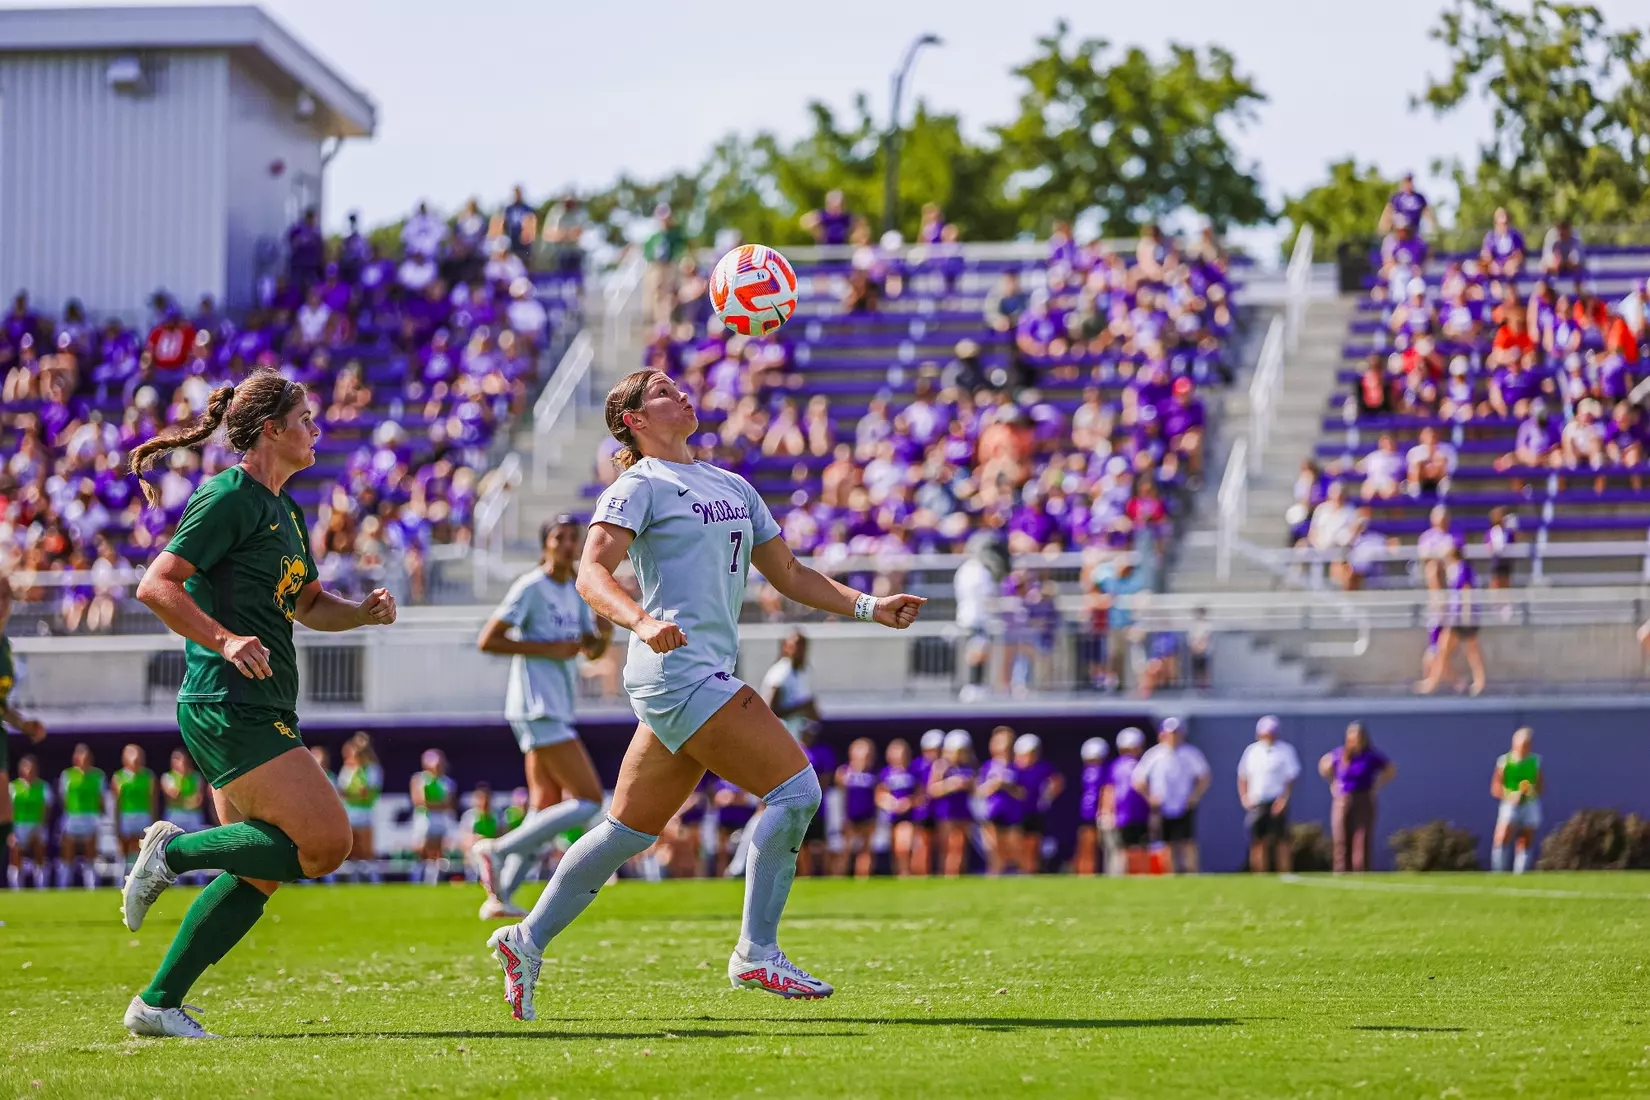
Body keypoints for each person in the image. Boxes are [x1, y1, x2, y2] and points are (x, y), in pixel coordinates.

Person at [485, 368, 926, 1016]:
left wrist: (869, 605)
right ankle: (756, 953)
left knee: (626, 832)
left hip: (695, 671)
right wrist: (640, 620)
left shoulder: (731, 485)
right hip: (676, 668)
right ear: (633, 420)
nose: (681, 393)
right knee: (797, 790)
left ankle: (525, 938)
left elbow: (791, 573)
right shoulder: (639, 484)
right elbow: (590, 573)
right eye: (662, 391)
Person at [116, 367, 397, 1039]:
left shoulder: (288, 511)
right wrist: (223, 638)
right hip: (228, 699)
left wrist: (357, 614)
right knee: (328, 843)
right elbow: (156, 585)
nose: (316, 429)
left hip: (261, 700)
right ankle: (171, 856)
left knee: (259, 874)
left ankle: (157, 1004)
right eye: (305, 419)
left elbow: (306, 604)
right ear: (270, 430)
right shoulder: (229, 495)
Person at [473, 515, 612, 919]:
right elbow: (489, 640)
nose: (569, 544)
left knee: (544, 805)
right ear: (545, 545)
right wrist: (548, 648)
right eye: (560, 537)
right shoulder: (532, 587)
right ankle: (497, 850)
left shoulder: (577, 590)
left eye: (574, 538)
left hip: (555, 706)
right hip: (537, 705)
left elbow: (590, 652)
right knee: (588, 800)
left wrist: (601, 636)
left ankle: (499, 899)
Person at [0, 576, 48, 880]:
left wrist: (24, 723)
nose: (3, 604)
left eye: (6, 597)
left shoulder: (5, 645)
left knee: (5, 816)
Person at [1132, 718, 1210, 874]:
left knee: (1187, 842)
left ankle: (1192, 872)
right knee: (1165, 843)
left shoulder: (1190, 753)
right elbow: (1138, 780)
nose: (1173, 737)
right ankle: (1170, 873)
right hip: (1163, 805)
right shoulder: (1154, 754)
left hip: (1184, 804)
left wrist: (1194, 796)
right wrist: (1150, 797)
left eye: (1176, 733)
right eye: (1169, 734)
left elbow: (1204, 777)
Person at [1319, 721, 1396, 873]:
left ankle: (1362, 871)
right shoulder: (1340, 755)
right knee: (1341, 837)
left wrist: (1377, 784)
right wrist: (1333, 783)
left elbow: (1390, 769)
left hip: (1364, 798)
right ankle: (1341, 871)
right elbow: (1324, 765)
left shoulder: (1370, 756)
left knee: (1362, 837)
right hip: (1343, 799)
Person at [1235, 716, 1301, 873]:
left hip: (1277, 800)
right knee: (1258, 841)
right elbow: (1243, 776)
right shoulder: (1252, 751)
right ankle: (1260, 875)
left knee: (1281, 840)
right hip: (1257, 801)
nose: (1268, 736)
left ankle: (1285, 873)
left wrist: (1284, 798)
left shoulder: (1285, 750)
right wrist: (1244, 796)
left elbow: (1290, 778)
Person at [1491, 727, 1543, 874]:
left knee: (1526, 838)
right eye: (1522, 745)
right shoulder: (1504, 761)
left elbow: (1540, 786)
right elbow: (1496, 787)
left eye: (1527, 745)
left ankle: (1521, 872)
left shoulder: (1535, 761)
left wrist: (1529, 792)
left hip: (1529, 803)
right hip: (1510, 803)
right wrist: (1512, 796)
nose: (1524, 749)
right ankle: (1498, 871)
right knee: (1503, 835)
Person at [928, 729, 977, 878]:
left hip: (963, 810)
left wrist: (968, 785)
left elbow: (976, 789)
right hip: (946, 812)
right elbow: (932, 789)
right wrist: (951, 785)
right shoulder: (942, 766)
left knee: (960, 845)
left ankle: (958, 874)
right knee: (947, 846)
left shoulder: (969, 766)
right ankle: (946, 874)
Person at [977, 727, 1025, 876]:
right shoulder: (988, 766)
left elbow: (1022, 793)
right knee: (994, 852)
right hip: (992, 814)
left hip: (1012, 815)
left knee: (1014, 851)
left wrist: (1007, 786)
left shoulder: (1017, 767)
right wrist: (994, 785)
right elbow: (979, 792)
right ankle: (995, 877)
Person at [335, 733, 383, 882]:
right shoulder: (347, 770)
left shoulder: (373, 769)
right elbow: (342, 793)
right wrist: (355, 794)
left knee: (367, 852)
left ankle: (375, 881)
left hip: (366, 814)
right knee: (352, 852)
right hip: (349, 814)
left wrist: (352, 794)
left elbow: (367, 794)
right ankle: (354, 881)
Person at [57, 743, 105, 888]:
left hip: (91, 817)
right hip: (72, 817)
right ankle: (63, 885)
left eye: (87, 757)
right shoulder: (67, 775)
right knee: (67, 852)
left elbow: (101, 799)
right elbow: (63, 797)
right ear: (75, 758)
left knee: (91, 852)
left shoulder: (98, 776)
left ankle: (91, 886)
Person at [1103, 727, 1150, 875]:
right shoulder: (1116, 765)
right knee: (1122, 850)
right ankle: (1123, 877)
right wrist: (1106, 811)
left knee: (1140, 849)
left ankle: (1140, 877)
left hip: (1140, 814)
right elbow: (1109, 789)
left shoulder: (1144, 764)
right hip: (1122, 816)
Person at [1013, 733, 1062, 873]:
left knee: (1033, 844)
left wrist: (1049, 794)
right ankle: (1021, 870)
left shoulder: (1043, 767)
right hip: (1016, 813)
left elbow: (1057, 781)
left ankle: (1031, 871)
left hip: (1035, 812)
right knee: (1018, 845)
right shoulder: (1015, 769)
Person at [411, 749, 457, 884]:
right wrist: (437, 804)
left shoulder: (447, 782)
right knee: (422, 851)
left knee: (438, 852)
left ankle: (433, 880)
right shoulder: (419, 779)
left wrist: (431, 804)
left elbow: (448, 804)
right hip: (424, 820)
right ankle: (417, 880)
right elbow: (419, 802)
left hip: (440, 820)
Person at [875, 738, 920, 877]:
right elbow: (879, 795)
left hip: (909, 816)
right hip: (891, 816)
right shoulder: (885, 773)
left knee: (904, 845)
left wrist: (909, 802)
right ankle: (898, 873)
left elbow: (920, 794)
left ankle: (906, 871)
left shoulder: (913, 772)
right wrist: (890, 803)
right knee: (895, 847)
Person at [761, 631, 819, 737]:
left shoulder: (804, 671)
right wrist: (803, 707)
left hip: (794, 736)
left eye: (802, 646)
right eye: (795, 646)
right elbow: (770, 710)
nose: (799, 651)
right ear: (786, 648)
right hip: (777, 737)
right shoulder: (780, 672)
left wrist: (811, 727)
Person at [837, 738, 879, 879]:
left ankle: (863, 877)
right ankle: (840, 877)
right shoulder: (845, 771)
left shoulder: (873, 773)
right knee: (846, 849)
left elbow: (878, 794)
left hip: (868, 816)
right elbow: (840, 792)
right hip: (850, 816)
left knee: (866, 850)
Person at [112, 744, 157, 870]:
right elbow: (116, 803)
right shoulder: (118, 777)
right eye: (132, 755)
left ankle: (140, 876)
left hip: (143, 816)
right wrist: (117, 823)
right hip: (126, 816)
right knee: (124, 848)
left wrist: (153, 822)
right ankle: (121, 878)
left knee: (142, 847)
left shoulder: (149, 776)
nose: (136, 758)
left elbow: (152, 802)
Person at [907, 729, 944, 876]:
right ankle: (919, 875)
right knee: (922, 845)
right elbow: (919, 789)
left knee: (941, 845)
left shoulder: (946, 765)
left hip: (941, 811)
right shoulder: (918, 765)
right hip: (923, 811)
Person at [1073, 738, 1110, 876]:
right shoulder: (1090, 771)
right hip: (1087, 814)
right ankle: (1085, 872)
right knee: (1086, 844)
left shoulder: (1103, 771)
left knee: (1094, 845)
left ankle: (1090, 872)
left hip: (1095, 814)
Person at [161, 750, 206, 834]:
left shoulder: (196, 777)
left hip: (193, 815)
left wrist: (185, 802)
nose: (181, 762)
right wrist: (182, 776)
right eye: (177, 759)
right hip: (175, 814)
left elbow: (198, 800)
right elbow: (175, 796)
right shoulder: (167, 777)